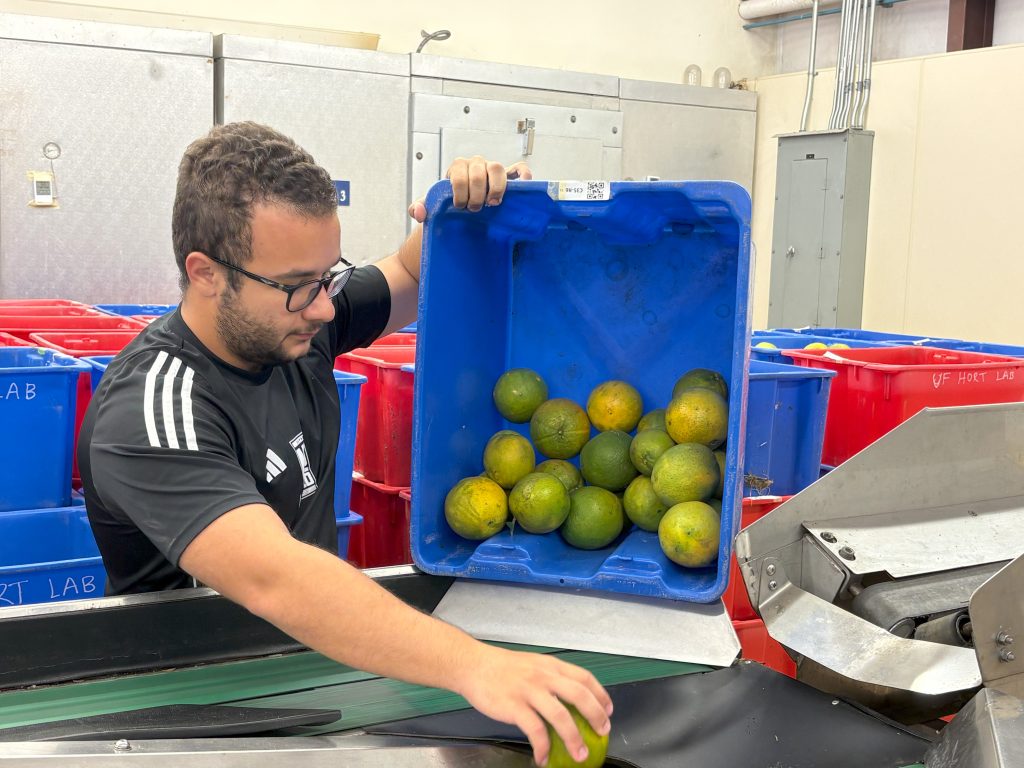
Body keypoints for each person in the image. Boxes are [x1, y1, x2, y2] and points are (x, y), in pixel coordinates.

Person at [78, 121, 611, 766]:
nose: (327, 308)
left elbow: (413, 268)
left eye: (329, 277)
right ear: (206, 273)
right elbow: (277, 579)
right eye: (301, 284)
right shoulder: (154, 407)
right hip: (196, 707)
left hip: (315, 666)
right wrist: (475, 665)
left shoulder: (295, 324)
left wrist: (473, 205)